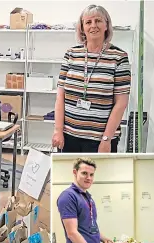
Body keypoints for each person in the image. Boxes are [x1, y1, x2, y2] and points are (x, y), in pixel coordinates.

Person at [52, 5, 131, 153]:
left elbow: (121, 103)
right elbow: (60, 96)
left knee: (98, 176)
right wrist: (58, 130)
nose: (93, 26)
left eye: (98, 21)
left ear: (106, 25)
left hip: (100, 139)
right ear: (82, 27)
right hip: (69, 137)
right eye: (88, 22)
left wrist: (106, 139)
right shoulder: (71, 54)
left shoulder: (119, 57)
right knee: (70, 176)